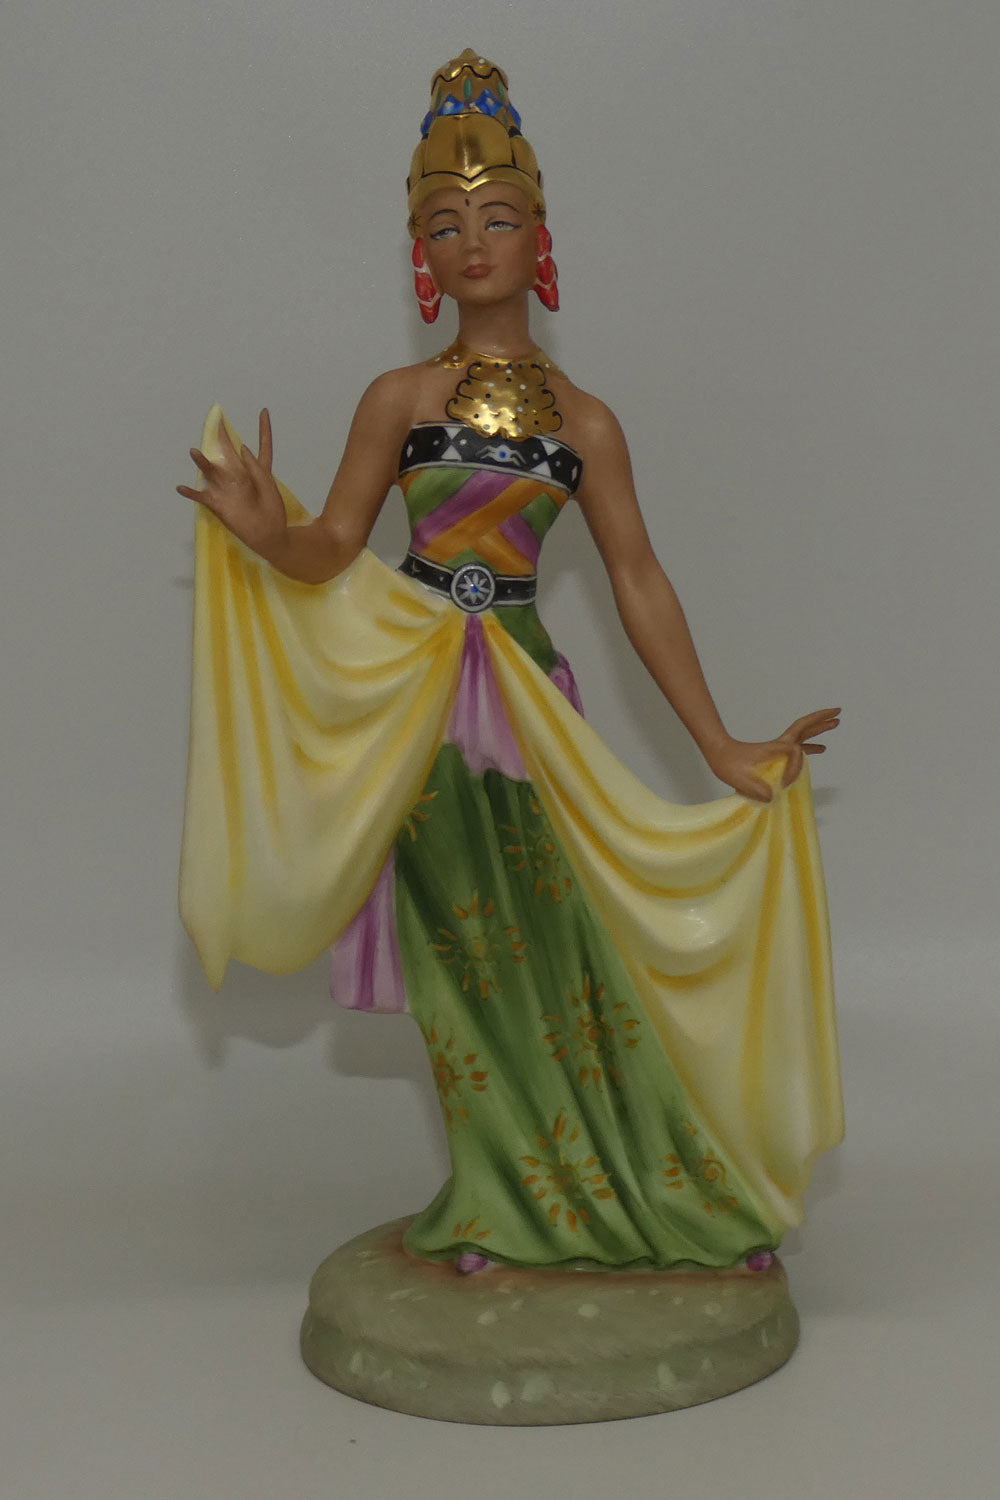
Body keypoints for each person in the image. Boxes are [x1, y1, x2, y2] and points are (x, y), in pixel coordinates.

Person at [178, 50, 842, 1273]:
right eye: (443, 223)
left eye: (494, 218)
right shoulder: (397, 398)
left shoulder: (584, 422)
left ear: (538, 237)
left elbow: (638, 580)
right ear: (419, 256)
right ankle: (500, 1199)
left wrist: (716, 741)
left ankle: (661, 1193)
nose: (470, 241)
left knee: (570, 951)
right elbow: (332, 547)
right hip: (414, 704)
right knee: (463, 963)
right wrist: (271, 534)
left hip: (528, 703)